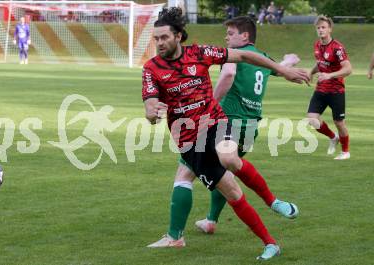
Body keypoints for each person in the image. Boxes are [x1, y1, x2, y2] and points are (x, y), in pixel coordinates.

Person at [142, 7, 309, 260]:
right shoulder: (151, 68)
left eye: (164, 37)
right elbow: (149, 106)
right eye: (156, 38)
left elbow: (242, 56)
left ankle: (273, 202)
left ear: (178, 36)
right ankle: (270, 243)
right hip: (189, 142)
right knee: (232, 192)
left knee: (230, 158)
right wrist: (152, 112)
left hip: (215, 123)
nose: (159, 43)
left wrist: (283, 70)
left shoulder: (200, 53)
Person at [192, 16, 299, 235]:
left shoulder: (233, 57)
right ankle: (211, 220)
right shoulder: (264, 58)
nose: (226, 37)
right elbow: (279, 68)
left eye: (231, 33)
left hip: (228, 119)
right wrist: (288, 61)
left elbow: (229, 74)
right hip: (250, 126)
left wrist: (207, 106)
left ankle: (176, 233)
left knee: (185, 166)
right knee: (224, 171)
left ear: (245, 36)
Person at [307, 15, 352, 160]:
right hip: (321, 89)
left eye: (323, 27)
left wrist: (330, 75)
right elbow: (320, 63)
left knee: (339, 122)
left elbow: (348, 69)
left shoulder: (337, 48)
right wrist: (310, 72)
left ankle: (345, 152)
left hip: (336, 91)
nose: (320, 30)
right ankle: (333, 137)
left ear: (330, 29)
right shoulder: (317, 45)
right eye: (318, 28)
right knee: (312, 119)